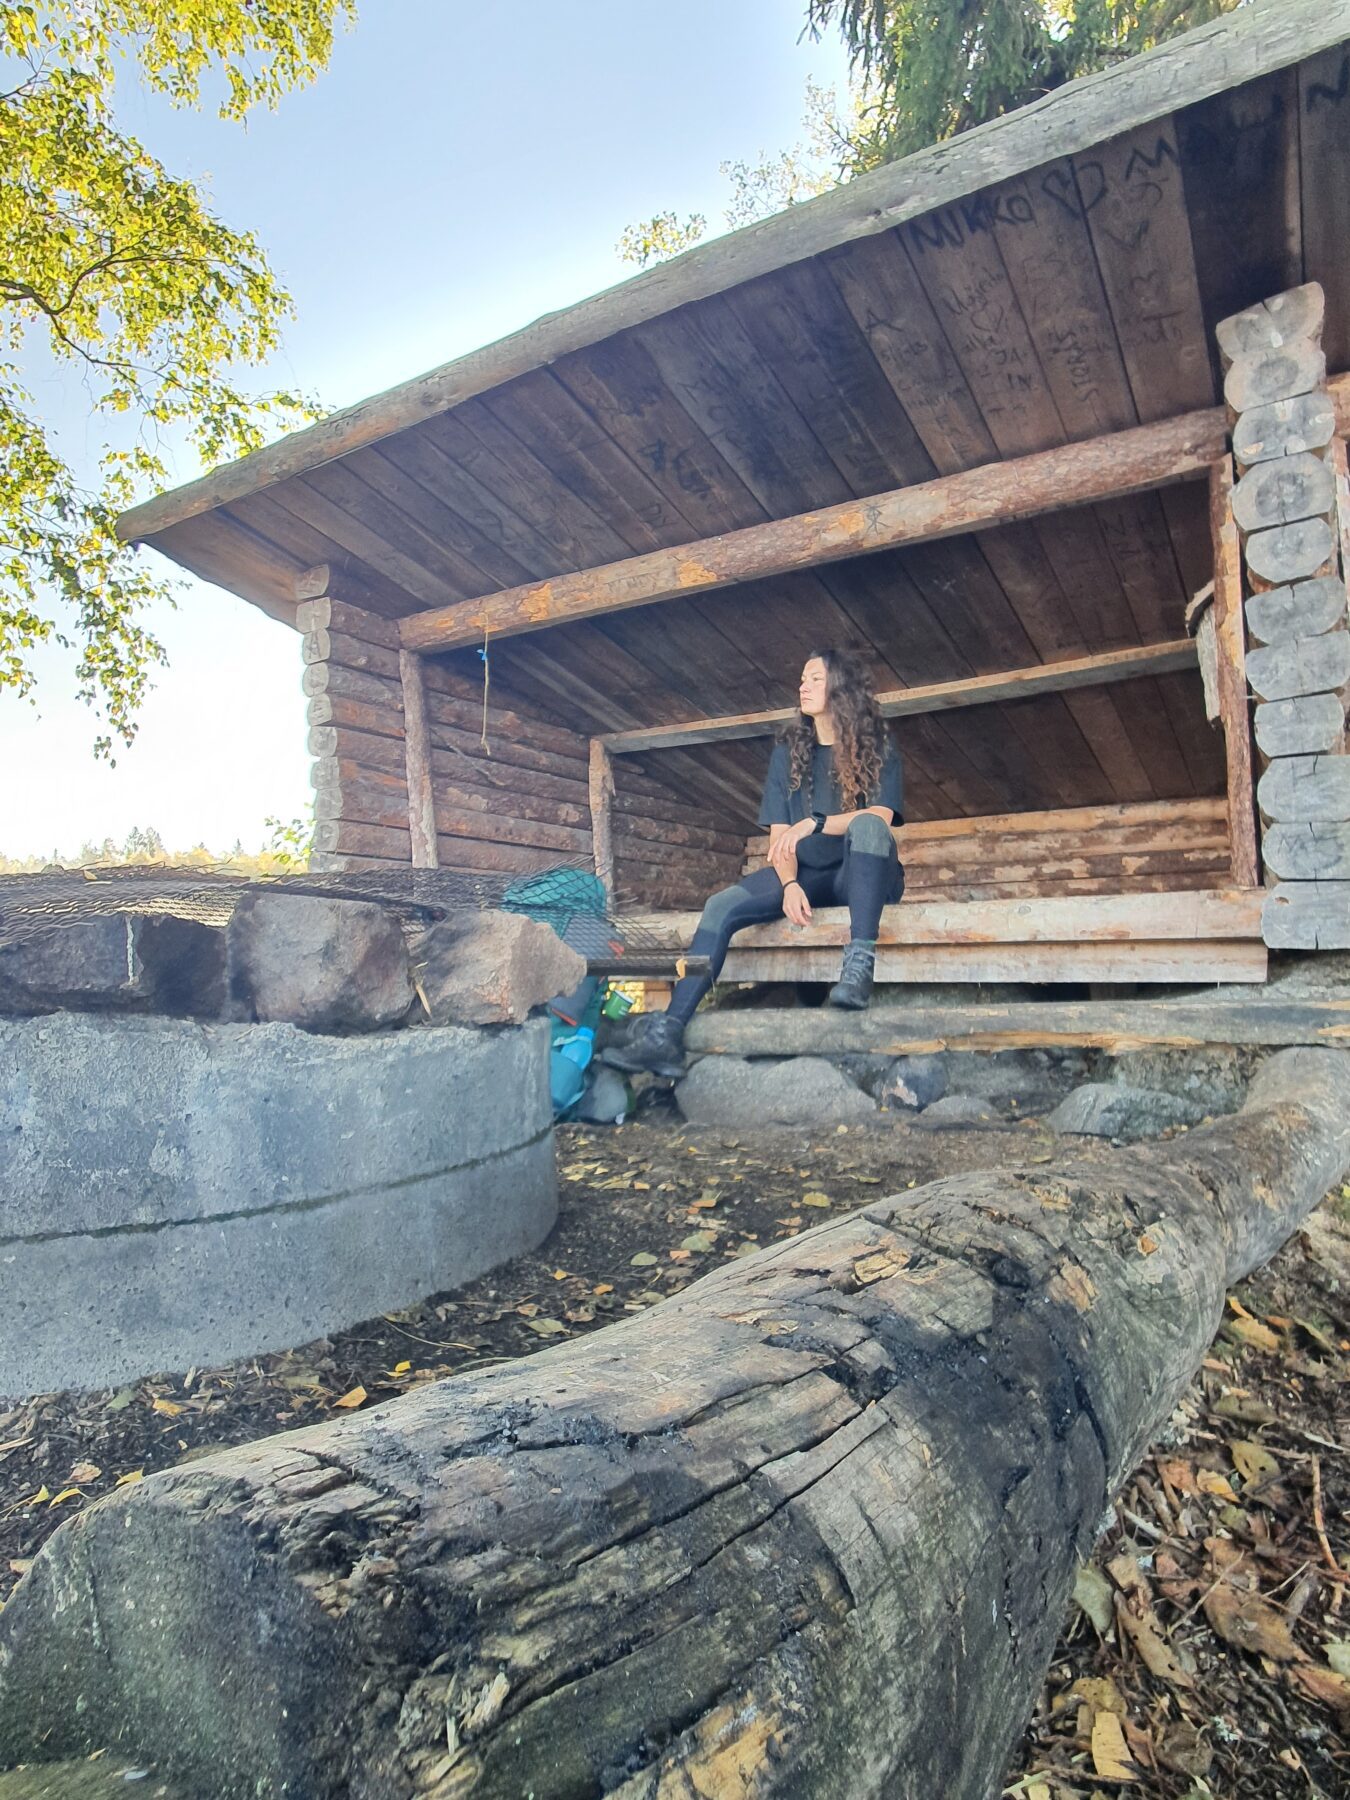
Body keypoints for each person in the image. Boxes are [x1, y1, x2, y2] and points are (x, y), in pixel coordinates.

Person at [608, 648, 904, 1078]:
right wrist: (789, 885)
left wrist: (815, 823)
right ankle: (667, 1034)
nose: (803, 686)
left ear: (841, 688)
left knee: (870, 829)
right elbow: (779, 840)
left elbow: (880, 817)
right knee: (720, 905)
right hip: (807, 876)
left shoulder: (877, 747)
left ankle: (858, 968)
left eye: (815, 679)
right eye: (802, 678)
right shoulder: (789, 753)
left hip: (861, 876)